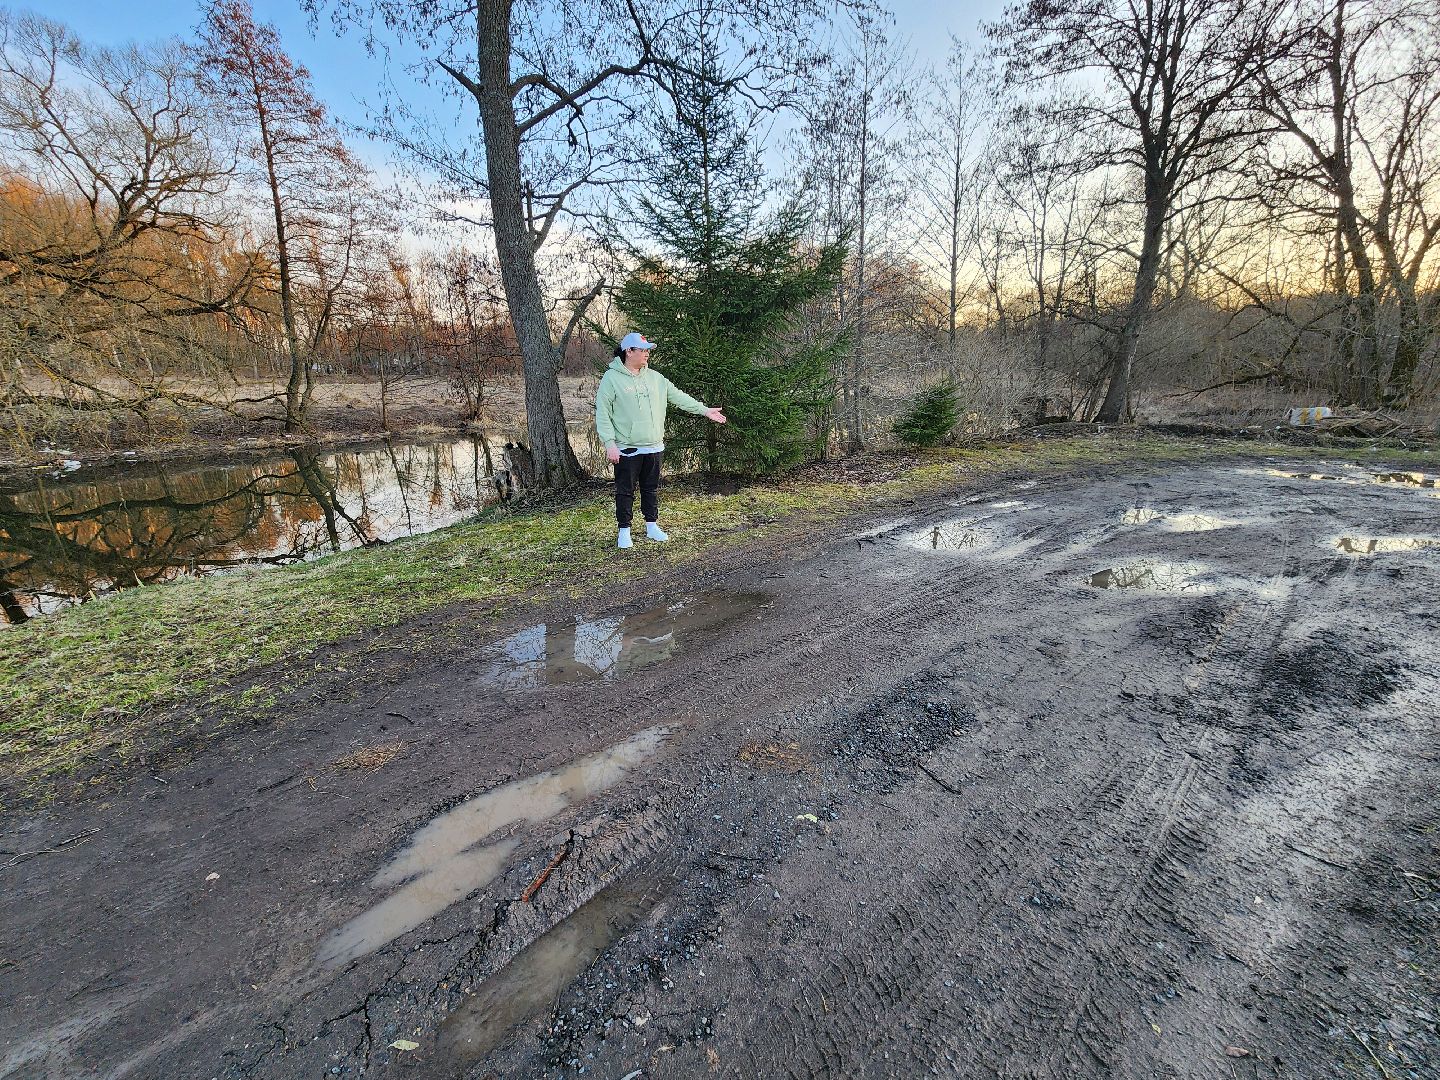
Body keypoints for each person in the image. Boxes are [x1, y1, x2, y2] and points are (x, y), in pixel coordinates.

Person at [595, 332, 726, 549]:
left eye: (648, 350)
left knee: (651, 488)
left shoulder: (656, 378)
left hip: (654, 445)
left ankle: (651, 526)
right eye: (643, 350)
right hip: (627, 448)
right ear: (629, 351)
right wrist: (609, 443)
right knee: (625, 490)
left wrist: (703, 410)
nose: (647, 354)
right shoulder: (612, 379)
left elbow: (679, 396)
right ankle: (624, 531)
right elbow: (603, 413)